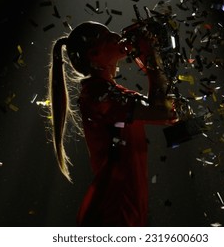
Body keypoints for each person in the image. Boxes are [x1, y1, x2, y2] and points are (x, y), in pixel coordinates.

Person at [47, 21, 177, 226]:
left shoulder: (113, 93)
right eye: (108, 37)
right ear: (94, 55)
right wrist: (150, 57)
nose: (117, 36)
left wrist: (156, 60)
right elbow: (162, 111)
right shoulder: (98, 95)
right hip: (113, 211)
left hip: (127, 207)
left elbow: (171, 115)